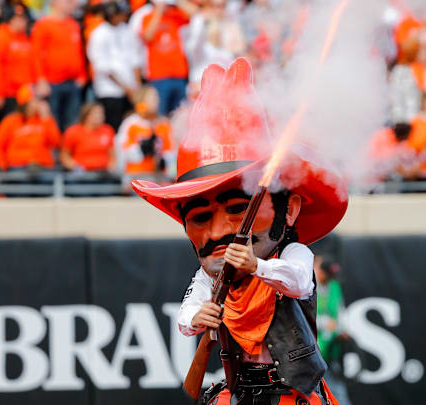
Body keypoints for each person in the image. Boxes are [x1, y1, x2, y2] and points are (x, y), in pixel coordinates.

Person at [131, 58, 343, 405]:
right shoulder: (208, 277)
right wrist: (198, 317)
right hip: (238, 392)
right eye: (201, 217)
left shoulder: (294, 254)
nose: (217, 231)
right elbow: (187, 315)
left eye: (236, 210)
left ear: (289, 209)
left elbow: (299, 282)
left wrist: (256, 267)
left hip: (293, 394)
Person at [31, 0, 88, 131]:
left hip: (73, 82)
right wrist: (41, 79)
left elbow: (78, 51)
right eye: (67, 1)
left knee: (73, 122)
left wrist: (82, 74)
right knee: (53, 122)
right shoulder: (43, 25)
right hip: (52, 83)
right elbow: (36, 54)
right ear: (54, 3)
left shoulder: (73, 24)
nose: (72, 4)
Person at [87, 1, 143, 131]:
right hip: (109, 90)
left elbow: (135, 59)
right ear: (111, 15)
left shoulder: (127, 30)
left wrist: (137, 87)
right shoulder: (99, 34)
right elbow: (102, 67)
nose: (124, 17)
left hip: (131, 90)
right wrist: (126, 88)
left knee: (132, 126)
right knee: (114, 128)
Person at [0, 3, 36, 131]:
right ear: (10, 20)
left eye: (24, 19)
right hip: (9, 94)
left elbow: (33, 63)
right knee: (9, 127)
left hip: (26, 93)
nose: (23, 22)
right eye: (19, 19)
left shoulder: (26, 38)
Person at [141, 0, 196, 115]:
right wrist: (159, 10)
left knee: (181, 114)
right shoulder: (147, 17)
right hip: (159, 76)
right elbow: (147, 36)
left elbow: (196, 15)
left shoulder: (175, 15)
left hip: (179, 74)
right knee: (160, 115)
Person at [0, 85, 61, 171]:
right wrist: (3, 165)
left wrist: (46, 118)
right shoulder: (11, 121)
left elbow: (55, 142)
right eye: (36, 100)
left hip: (42, 166)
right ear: (26, 103)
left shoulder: (45, 120)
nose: (40, 103)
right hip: (17, 166)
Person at [314, 256, 353, 405]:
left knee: (337, 391)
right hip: (312, 351)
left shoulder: (334, 287)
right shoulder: (307, 284)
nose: (329, 279)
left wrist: (343, 330)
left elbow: (340, 312)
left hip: (331, 350)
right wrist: (324, 323)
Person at [185, 0, 246, 83]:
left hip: (226, 79)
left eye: (223, 5)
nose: (219, 10)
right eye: (215, 6)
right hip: (202, 79)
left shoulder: (229, 23)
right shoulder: (199, 21)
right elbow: (192, 49)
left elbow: (239, 49)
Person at [120, 86, 175, 176]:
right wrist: (142, 150)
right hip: (136, 175)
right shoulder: (131, 123)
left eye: (156, 97)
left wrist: (163, 160)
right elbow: (123, 149)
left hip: (159, 176)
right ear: (142, 100)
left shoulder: (163, 123)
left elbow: (170, 149)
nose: (156, 101)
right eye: (152, 98)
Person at [61, 103, 116, 173]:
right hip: (81, 174)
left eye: (102, 113)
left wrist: (111, 167)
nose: (100, 116)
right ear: (87, 115)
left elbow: (112, 155)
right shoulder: (73, 131)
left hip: (103, 173)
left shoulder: (108, 130)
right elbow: (64, 155)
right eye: (96, 113)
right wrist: (75, 166)